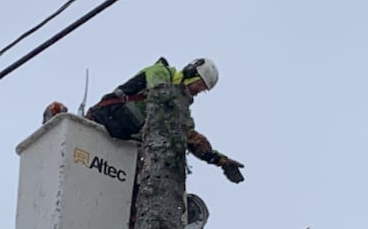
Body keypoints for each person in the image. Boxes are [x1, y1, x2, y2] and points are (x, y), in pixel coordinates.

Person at [43, 57, 244, 183]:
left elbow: (191, 139)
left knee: (134, 185)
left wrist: (218, 160)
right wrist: (181, 127)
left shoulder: (181, 112)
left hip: (120, 143)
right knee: (67, 152)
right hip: (102, 121)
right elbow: (161, 100)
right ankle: (55, 122)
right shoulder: (160, 73)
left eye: (202, 90)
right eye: (199, 85)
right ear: (191, 73)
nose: (198, 92)